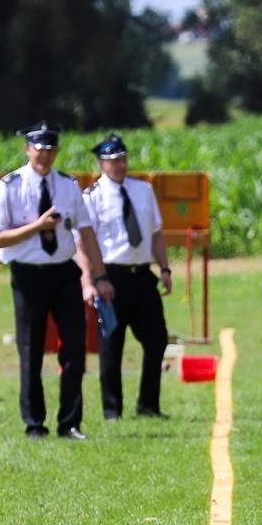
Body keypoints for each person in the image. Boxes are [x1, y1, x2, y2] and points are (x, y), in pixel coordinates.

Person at [0, 121, 114, 440]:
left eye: (51, 150)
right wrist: (37, 227)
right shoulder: (9, 186)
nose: (45, 155)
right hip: (28, 274)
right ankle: (34, 424)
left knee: (75, 347)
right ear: (27, 150)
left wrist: (99, 276)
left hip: (64, 272)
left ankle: (70, 422)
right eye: (39, 150)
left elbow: (86, 232)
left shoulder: (68, 185)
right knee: (31, 350)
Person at [83, 133, 171, 420]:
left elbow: (156, 233)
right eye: (113, 161)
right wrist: (94, 280)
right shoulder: (92, 196)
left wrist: (165, 269)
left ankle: (149, 405)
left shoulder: (143, 190)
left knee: (156, 339)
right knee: (111, 345)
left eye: (123, 159)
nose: (120, 165)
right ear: (101, 163)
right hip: (111, 276)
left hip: (142, 275)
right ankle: (112, 411)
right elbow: (85, 243)